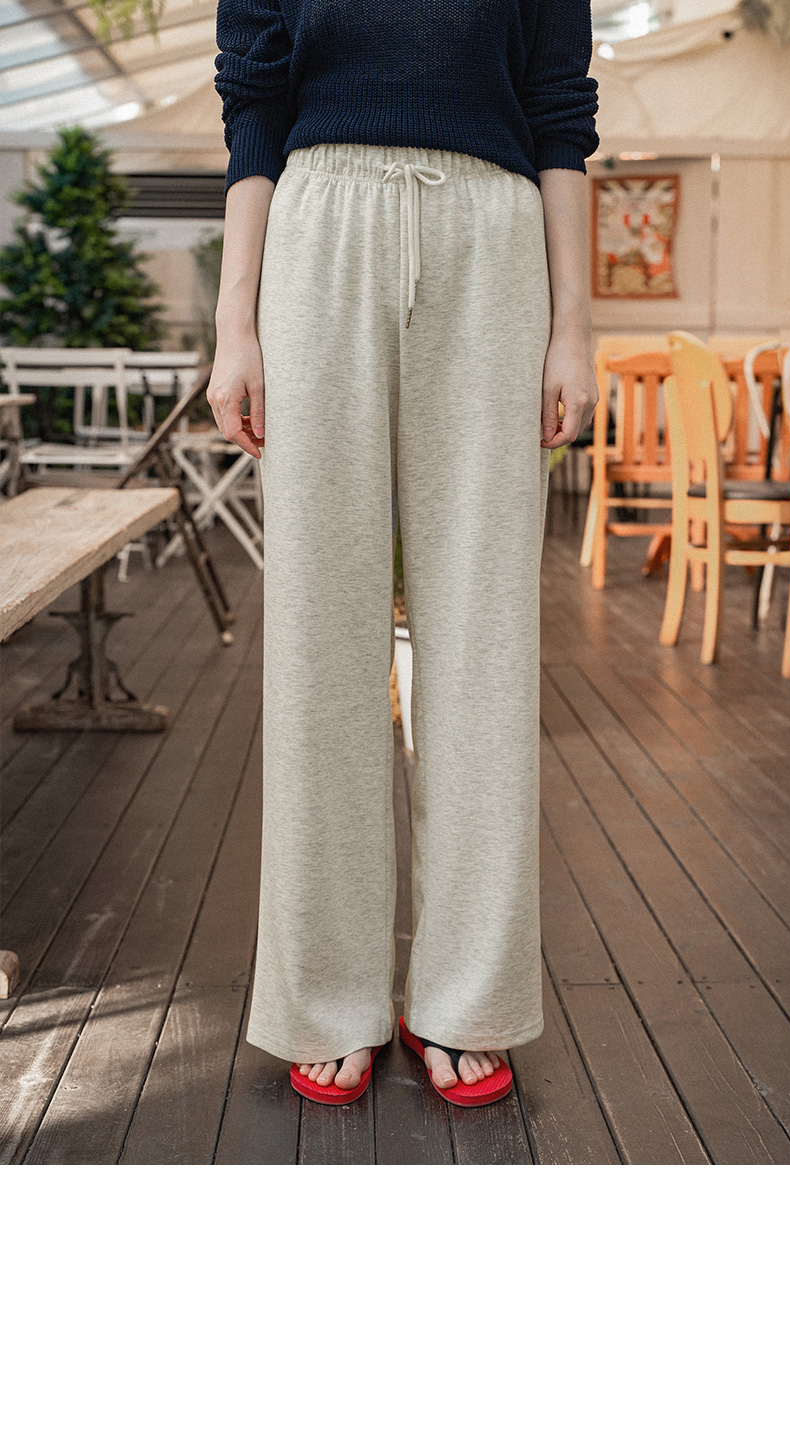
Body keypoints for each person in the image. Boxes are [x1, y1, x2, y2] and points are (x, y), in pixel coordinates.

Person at [209, 0, 599, 1109]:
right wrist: (235, 325)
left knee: (481, 638)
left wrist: (574, 327)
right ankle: (325, 995)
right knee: (320, 641)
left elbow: (559, 113)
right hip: (318, 230)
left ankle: (466, 995)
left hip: (492, 240)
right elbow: (253, 108)